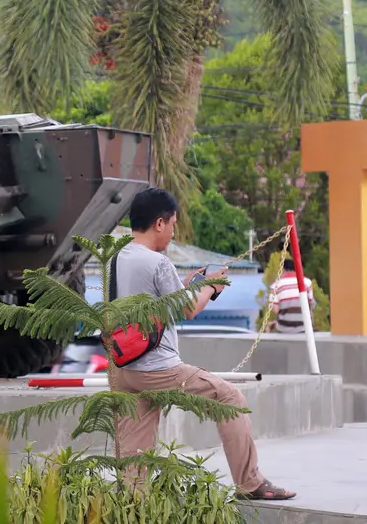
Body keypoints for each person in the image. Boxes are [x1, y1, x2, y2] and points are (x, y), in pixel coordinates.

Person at [110, 187, 296, 501]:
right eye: (172, 224)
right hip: (157, 367)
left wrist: (189, 284)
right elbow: (187, 309)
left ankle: (132, 501)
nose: (172, 231)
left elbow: (158, 300)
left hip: (123, 366)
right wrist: (211, 287)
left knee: (135, 445)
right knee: (230, 398)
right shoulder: (158, 262)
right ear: (159, 223)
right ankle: (250, 483)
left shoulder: (119, 257)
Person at [267, 258, 316, 333]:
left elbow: (275, 310)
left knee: (272, 324)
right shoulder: (307, 282)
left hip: (284, 327)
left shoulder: (275, 286)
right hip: (305, 326)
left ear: (283, 269)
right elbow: (311, 304)